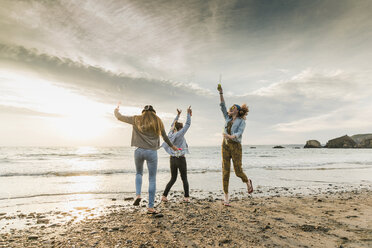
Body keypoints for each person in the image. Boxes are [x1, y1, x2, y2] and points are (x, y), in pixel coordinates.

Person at [114, 104, 178, 214]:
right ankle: (150, 207)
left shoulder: (136, 119)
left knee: (139, 173)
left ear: (143, 111)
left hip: (138, 151)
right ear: (154, 112)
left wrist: (116, 109)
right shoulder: (158, 121)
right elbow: (164, 137)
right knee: (152, 179)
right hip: (152, 152)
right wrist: (172, 146)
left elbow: (119, 117)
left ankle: (138, 195)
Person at [217, 84, 253, 206]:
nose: (230, 109)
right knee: (225, 171)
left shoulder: (241, 121)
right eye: (230, 107)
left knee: (238, 171)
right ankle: (226, 197)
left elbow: (239, 133)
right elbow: (222, 106)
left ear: (237, 110)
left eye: (233, 107)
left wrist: (230, 136)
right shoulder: (227, 118)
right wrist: (221, 93)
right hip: (225, 145)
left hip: (236, 146)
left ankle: (247, 181)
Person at [161, 106, 192, 203]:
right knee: (184, 178)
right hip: (180, 159)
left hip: (172, 159)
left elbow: (173, 124)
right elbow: (188, 124)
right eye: (182, 128)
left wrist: (178, 115)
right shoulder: (179, 134)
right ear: (180, 128)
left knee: (173, 178)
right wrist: (188, 114)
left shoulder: (170, 133)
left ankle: (164, 196)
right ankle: (186, 197)